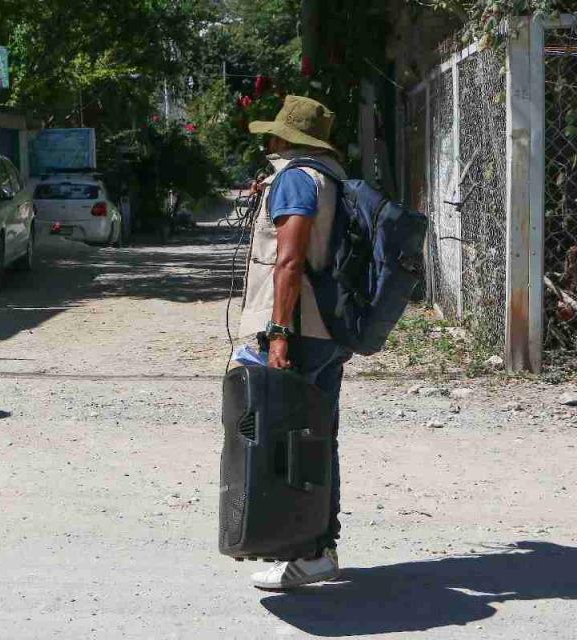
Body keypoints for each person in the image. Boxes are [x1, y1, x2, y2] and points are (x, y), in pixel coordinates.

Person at [237, 95, 353, 590]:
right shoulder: (329, 178)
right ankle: (319, 547)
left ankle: (303, 548)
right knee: (318, 436)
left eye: (273, 136)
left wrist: (279, 334)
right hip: (327, 328)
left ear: (285, 138)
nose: (268, 143)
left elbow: (288, 261)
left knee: (289, 440)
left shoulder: (295, 180)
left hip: (297, 330)